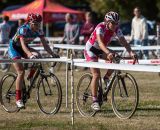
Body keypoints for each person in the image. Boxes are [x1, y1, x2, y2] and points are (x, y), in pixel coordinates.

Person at [84, 11, 136, 111]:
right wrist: (108, 53)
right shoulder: (100, 27)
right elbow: (100, 43)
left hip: (101, 50)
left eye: (117, 23)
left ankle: (106, 77)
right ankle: (94, 101)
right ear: (107, 22)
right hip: (91, 50)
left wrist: (131, 53)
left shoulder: (116, 29)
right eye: (113, 23)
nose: (115, 25)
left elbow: (124, 42)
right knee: (96, 74)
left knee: (117, 58)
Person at [8, 13, 57, 108]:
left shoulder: (39, 30)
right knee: (21, 72)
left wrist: (53, 54)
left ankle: (30, 77)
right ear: (29, 23)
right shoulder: (23, 29)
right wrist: (29, 55)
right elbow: (22, 45)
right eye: (35, 24)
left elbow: (45, 45)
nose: (38, 26)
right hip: (14, 48)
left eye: (39, 23)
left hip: (24, 48)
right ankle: (18, 99)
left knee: (38, 56)